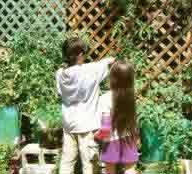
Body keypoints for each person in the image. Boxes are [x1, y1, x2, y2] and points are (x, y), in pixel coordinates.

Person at [56, 37, 115, 174]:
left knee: (67, 162)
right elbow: (109, 61)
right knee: (89, 163)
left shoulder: (60, 74)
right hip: (87, 125)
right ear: (81, 54)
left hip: (69, 124)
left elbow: (60, 93)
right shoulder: (91, 70)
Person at [95, 61, 139, 174]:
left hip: (110, 141)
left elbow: (105, 129)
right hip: (129, 137)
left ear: (112, 78)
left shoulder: (105, 98)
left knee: (110, 171)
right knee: (130, 169)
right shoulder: (131, 97)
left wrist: (96, 136)